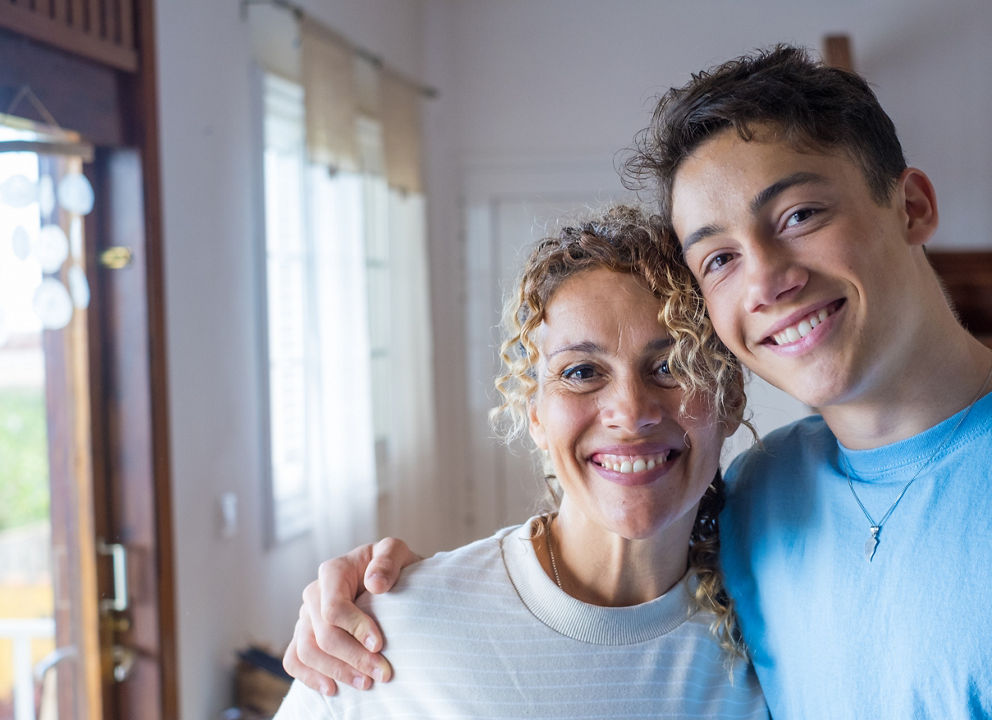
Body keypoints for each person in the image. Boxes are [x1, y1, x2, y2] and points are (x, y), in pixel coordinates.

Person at [289, 46, 992, 718]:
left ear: (913, 205)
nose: (764, 276)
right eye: (715, 256)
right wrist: (364, 595)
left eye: (799, 214)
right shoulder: (757, 509)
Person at [273, 206, 768, 718]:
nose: (631, 412)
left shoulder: (773, 638)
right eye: (581, 372)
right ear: (534, 414)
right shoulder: (390, 634)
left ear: (729, 399)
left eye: (669, 366)